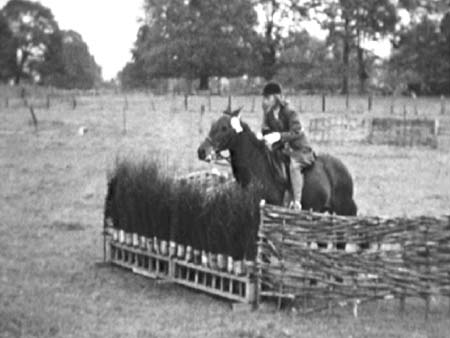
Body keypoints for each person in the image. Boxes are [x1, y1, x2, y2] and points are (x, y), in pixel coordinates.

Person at [259, 82, 315, 210]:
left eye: (268, 98)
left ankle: (297, 201)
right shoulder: (269, 114)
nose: (265, 101)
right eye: (264, 98)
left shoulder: (290, 112)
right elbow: (266, 130)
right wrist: (264, 135)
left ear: (276, 97)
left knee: (294, 167)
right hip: (283, 149)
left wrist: (278, 136)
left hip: (299, 149)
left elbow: (296, 132)